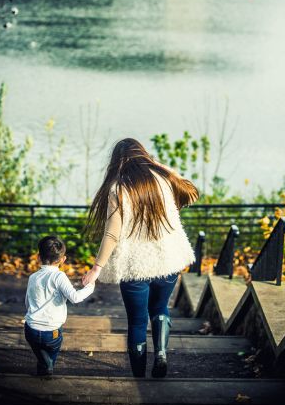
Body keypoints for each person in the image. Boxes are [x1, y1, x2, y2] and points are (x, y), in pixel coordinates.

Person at [81, 138, 198, 378]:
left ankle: (138, 374)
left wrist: (97, 267)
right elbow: (192, 194)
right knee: (160, 308)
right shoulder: (163, 180)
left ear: (117, 161)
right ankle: (162, 354)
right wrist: (161, 166)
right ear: (143, 155)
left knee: (136, 320)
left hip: (135, 267)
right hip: (168, 262)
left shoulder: (118, 189)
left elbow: (112, 233)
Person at [24, 236, 96, 377]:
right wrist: (90, 287)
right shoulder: (59, 277)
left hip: (30, 329)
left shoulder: (32, 277)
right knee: (52, 350)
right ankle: (48, 366)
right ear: (63, 260)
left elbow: (28, 302)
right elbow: (75, 297)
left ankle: (44, 366)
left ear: (38, 257)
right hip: (51, 332)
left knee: (39, 350)